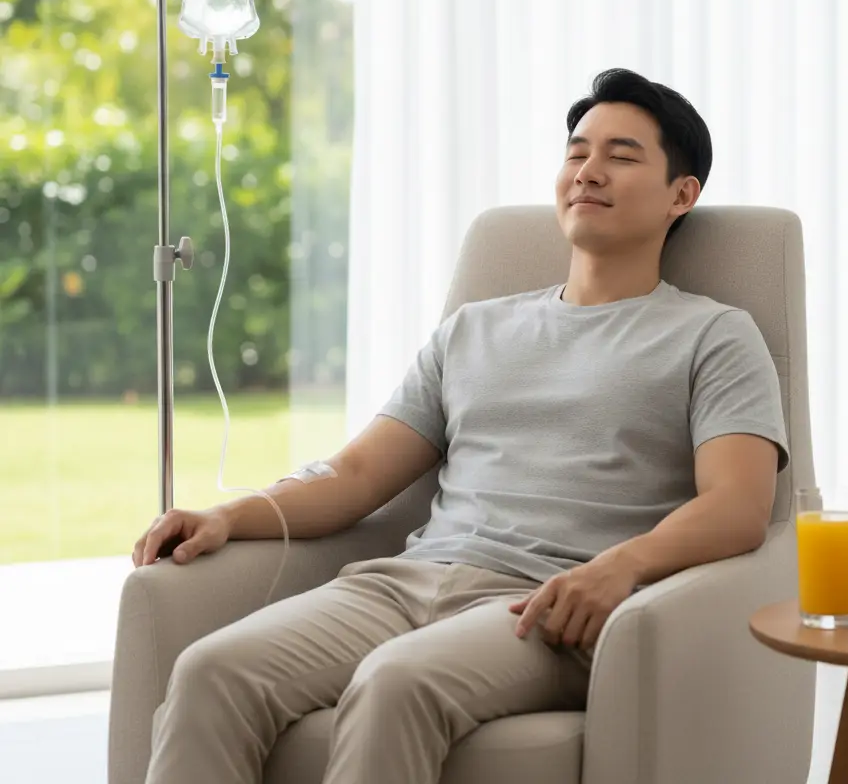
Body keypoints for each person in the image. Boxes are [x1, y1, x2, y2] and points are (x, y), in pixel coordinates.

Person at [136, 67, 789, 784]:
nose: (588, 172)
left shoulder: (714, 335)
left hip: (545, 604)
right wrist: (229, 516)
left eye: (621, 156)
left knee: (395, 684)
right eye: (576, 153)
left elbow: (738, 505)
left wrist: (619, 567)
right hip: (403, 584)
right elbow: (357, 475)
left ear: (680, 195)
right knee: (211, 671)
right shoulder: (474, 329)